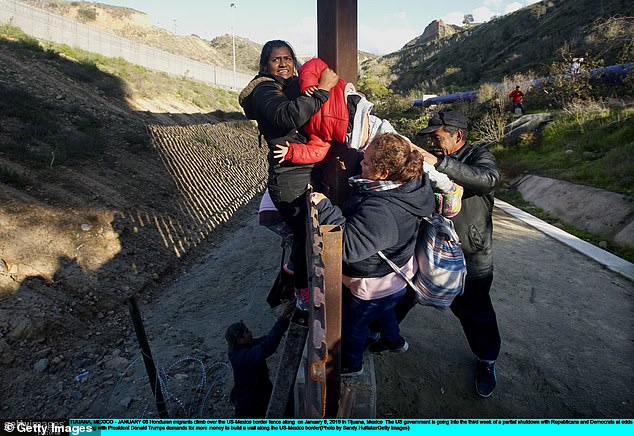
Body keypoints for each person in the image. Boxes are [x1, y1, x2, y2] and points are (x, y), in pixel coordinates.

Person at [311, 133, 436, 376]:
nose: (360, 163)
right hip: (395, 279)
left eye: (366, 162)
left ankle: (352, 365)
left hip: (372, 283)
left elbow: (349, 247)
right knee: (385, 309)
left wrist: (325, 207)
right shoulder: (411, 185)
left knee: (354, 327)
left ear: (384, 172)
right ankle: (394, 341)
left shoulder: (382, 210)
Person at [238, 41, 339, 305]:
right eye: (276, 60)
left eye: (287, 58)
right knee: (307, 233)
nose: (283, 63)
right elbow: (285, 117)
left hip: (302, 169)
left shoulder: (287, 86)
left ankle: (292, 275)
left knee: (304, 232)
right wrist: (324, 91)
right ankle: (302, 294)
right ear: (265, 65)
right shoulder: (263, 90)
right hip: (288, 178)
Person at [412, 108, 502, 398]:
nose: (432, 144)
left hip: (469, 251)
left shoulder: (480, 156)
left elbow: (488, 179)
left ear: (457, 135)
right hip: (432, 246)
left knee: (475, 310)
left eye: (437, 138)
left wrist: (440, 162)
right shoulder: (432, 157)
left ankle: (487, 360)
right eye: (430, 140)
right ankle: (379, 334)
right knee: (405, 288)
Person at [225, 301, 295, 417]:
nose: (250, 333)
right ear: (239, 339)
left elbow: (266, 340)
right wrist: (282, 318)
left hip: (259, 396)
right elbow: (267, 346)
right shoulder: (242, 357)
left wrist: (285, 320)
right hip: (252, 406)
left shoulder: (242, 348)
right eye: (247, 332)